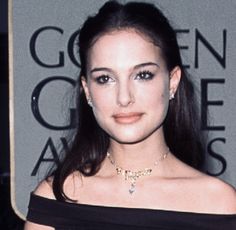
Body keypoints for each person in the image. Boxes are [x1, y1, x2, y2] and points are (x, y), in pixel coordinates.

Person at [24, 1, 236, 229]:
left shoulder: (218, 204)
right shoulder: (56, 197)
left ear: (172, 81)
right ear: (87, 90)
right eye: (105, 78)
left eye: (143, 75)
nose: (124, 98)